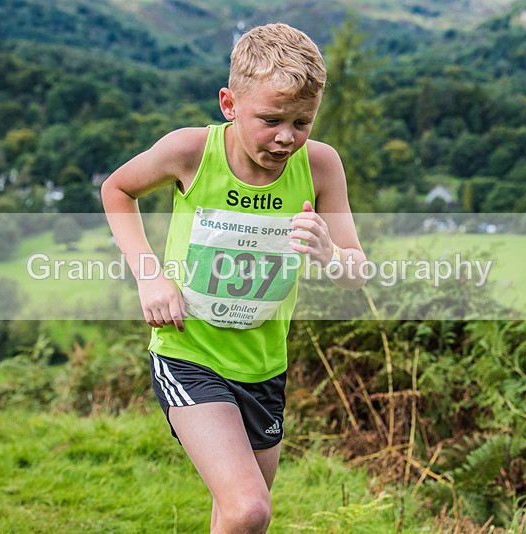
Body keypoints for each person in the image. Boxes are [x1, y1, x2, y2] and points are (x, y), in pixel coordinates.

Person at [102, 23, 365, 532]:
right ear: (229, 104)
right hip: (188, 353)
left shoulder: (321, 166)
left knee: (236, 515)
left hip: (263, 366)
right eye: (270, 120)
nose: (286, 136)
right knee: (249, 508)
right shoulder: (191, 152)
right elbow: (117, 190)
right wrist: (149, 275)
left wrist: (330, 253)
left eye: (301, 122)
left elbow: (355, 274)